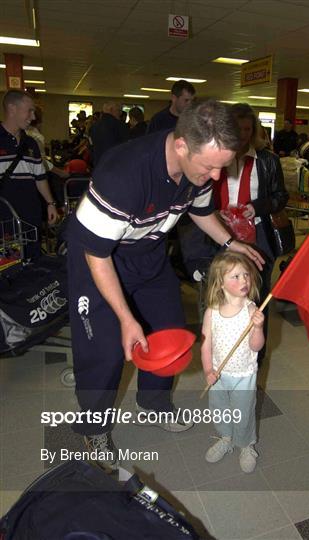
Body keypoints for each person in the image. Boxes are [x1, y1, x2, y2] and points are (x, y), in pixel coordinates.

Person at [66, 100, 265, 472]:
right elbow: (97, 256)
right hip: (98, 257)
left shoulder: (199, 172)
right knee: (106, 350)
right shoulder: (123, 174)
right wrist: (126, 317)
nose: (217, 177)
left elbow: (200, 210)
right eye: (210, 167)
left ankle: (154, 403)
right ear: (180, 146)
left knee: (170, 333)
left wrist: (230, 242)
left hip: (148, 254)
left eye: (222, 167)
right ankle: (93, 426)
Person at [212, 103, 288, 359]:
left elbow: (280, 196)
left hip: (258, 237)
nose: (243, 135)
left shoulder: (267, 160)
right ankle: (222, 349)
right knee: (221, 292)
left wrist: (257, 207)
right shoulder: (218, 154)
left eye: (247, 129)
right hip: (221, 236)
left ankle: (255, 353)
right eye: (237, 128)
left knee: (257, 294)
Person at [201, 252, 265, 473]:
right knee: (219, 408)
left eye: (246, 275)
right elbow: (206, 344)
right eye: (235, 276)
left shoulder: (251, 310)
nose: (244, 280)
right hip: (218, 372)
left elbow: (256, 346)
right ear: (220, 284)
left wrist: (257, 327)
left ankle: (246, 445)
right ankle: (226, 438)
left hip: (244, 374)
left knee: (243, 411)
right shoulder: (212, 312)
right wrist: (208, 369)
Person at [0, 90, 58, 259]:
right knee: (9, 264)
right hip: (5, 218)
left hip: (31, 216)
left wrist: (50, 203)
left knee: (32, 262)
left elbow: (40, 178)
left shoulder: (31, 142)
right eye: (29, 111)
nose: (33, 117)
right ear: (12, 109)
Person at [90, 101, 129, 166]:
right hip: (115, 164)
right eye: (119, 110)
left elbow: (91, 146)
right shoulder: (120, 125)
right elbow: (126, 146)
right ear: (111, 110)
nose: (120, 113)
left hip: (98, 164)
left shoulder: (94, 126)